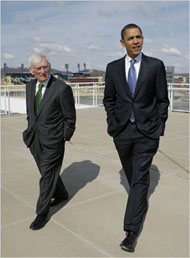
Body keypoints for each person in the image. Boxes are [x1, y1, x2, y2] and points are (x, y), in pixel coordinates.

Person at [103, 24, 169, 252]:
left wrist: (158, 126)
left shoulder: (155, 66)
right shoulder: (112, 68)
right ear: (122, 42)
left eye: (139, 36)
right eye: (130, 38)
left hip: (146, 132)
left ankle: (131, 232)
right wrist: (113, 123)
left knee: (140, 179)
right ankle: (139, 204)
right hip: (122, 132)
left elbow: (162, 100)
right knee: (134, 178)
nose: (135, 41)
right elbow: (108, 99)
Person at [23, 53, 76, 230]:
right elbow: (31, 112)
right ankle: (61, 193)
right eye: (38, 68)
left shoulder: (61, 88)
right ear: (31, 71)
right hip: (34, 138)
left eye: (45, 66)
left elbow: (70, 117)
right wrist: (29, 129)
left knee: (46, 176)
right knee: (48, 172)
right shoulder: (30, 86)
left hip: (54, 140)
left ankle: (41, 213)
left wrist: (63, 137)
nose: (43, 71)